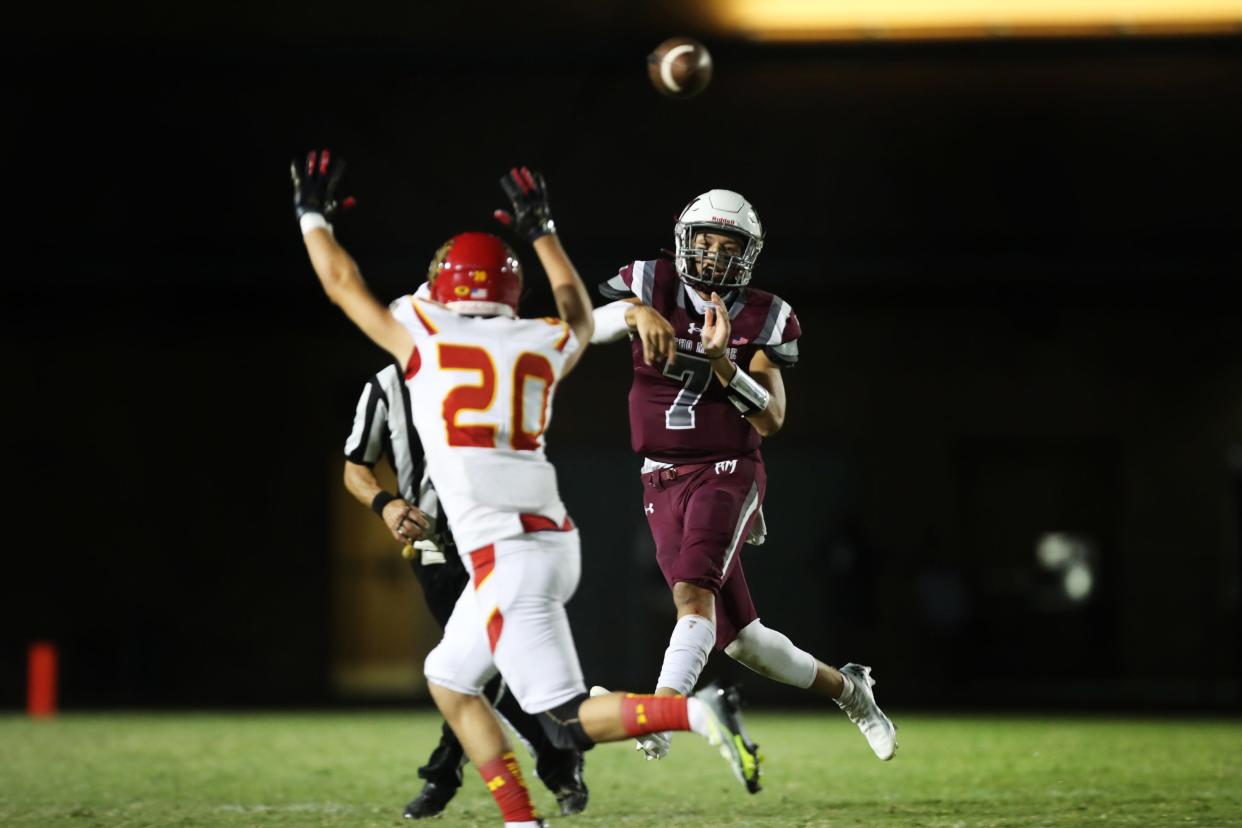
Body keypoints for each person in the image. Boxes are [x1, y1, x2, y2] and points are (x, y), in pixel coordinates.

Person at [292, 151, 765, 826]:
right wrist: (542, 229)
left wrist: (312, 214)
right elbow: (577, 312)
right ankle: (521, 820)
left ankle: (695, 708)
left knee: (566, 721)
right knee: (450, 680)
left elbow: (340, 282)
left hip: (505, 556)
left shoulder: (423, 341)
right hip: (543, 540)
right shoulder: (540, 341)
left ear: (440, 292)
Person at [590, 188, 898, 763]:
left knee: (691, 595)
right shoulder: (648, 283)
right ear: (684, 241)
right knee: (744, 643)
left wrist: (723, 364)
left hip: (727, 469)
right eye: (703, 242)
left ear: (747, 254)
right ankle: (850, 688)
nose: (711, 256)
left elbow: (772, 417)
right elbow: (581, 325)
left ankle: (659, 715)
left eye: (726, 246)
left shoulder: (765, 314)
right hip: (659, 476)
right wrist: (633, 313)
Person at [343, 354, 588, 818]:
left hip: (502, 539)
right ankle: (557, 751)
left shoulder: (494, 365)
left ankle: (445, 772)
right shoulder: (387, 385)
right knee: (478, 670)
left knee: (470, 671)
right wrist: (388, 505)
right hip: (438, 549)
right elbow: (355, 467)